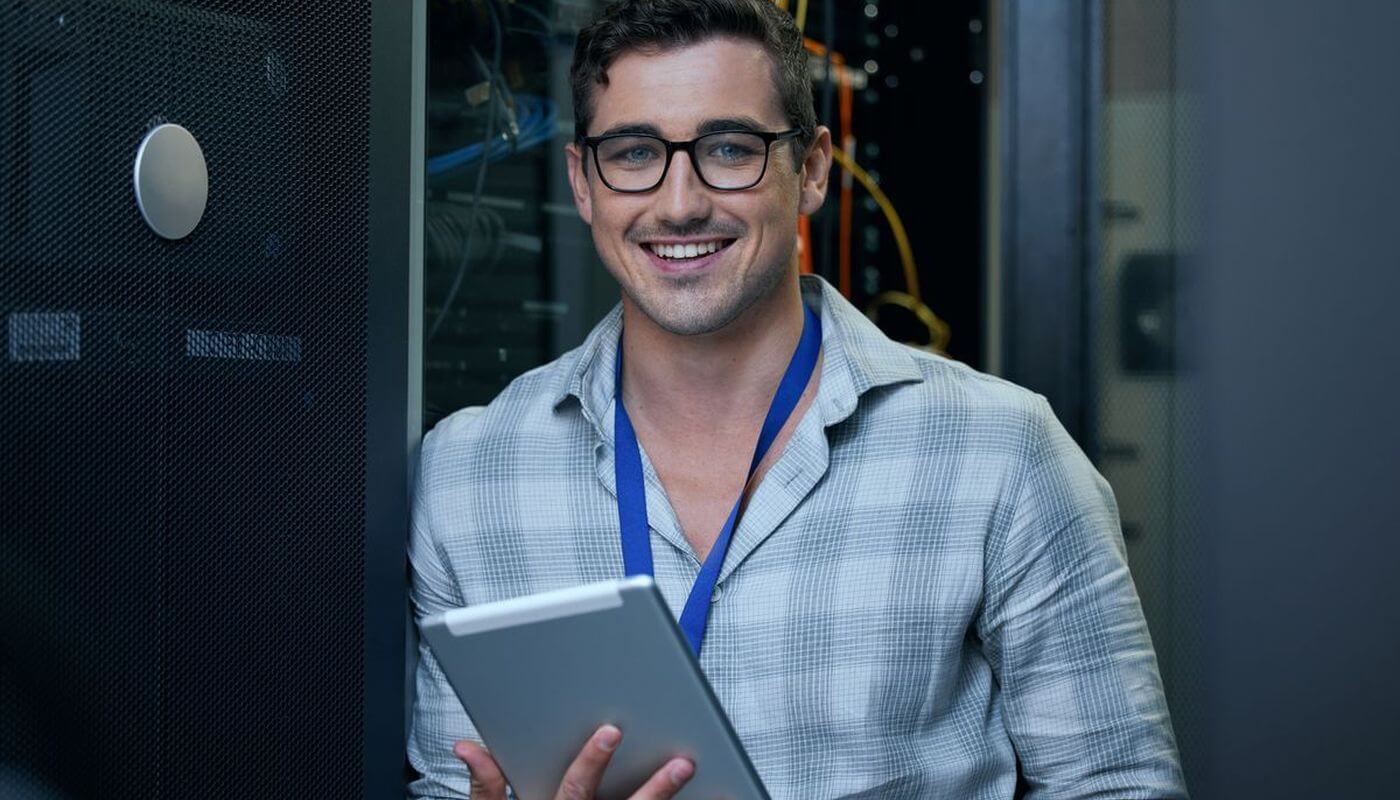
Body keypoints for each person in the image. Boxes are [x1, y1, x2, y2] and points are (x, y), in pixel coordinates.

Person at [407, 1, 1187, 798]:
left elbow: (1122, 787)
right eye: (635, 153)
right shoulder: (469, 474)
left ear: (812, 168)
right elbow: (444, 785)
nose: (679, 203)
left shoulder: (999, 454)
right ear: (581, 181)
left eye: (729, 148)